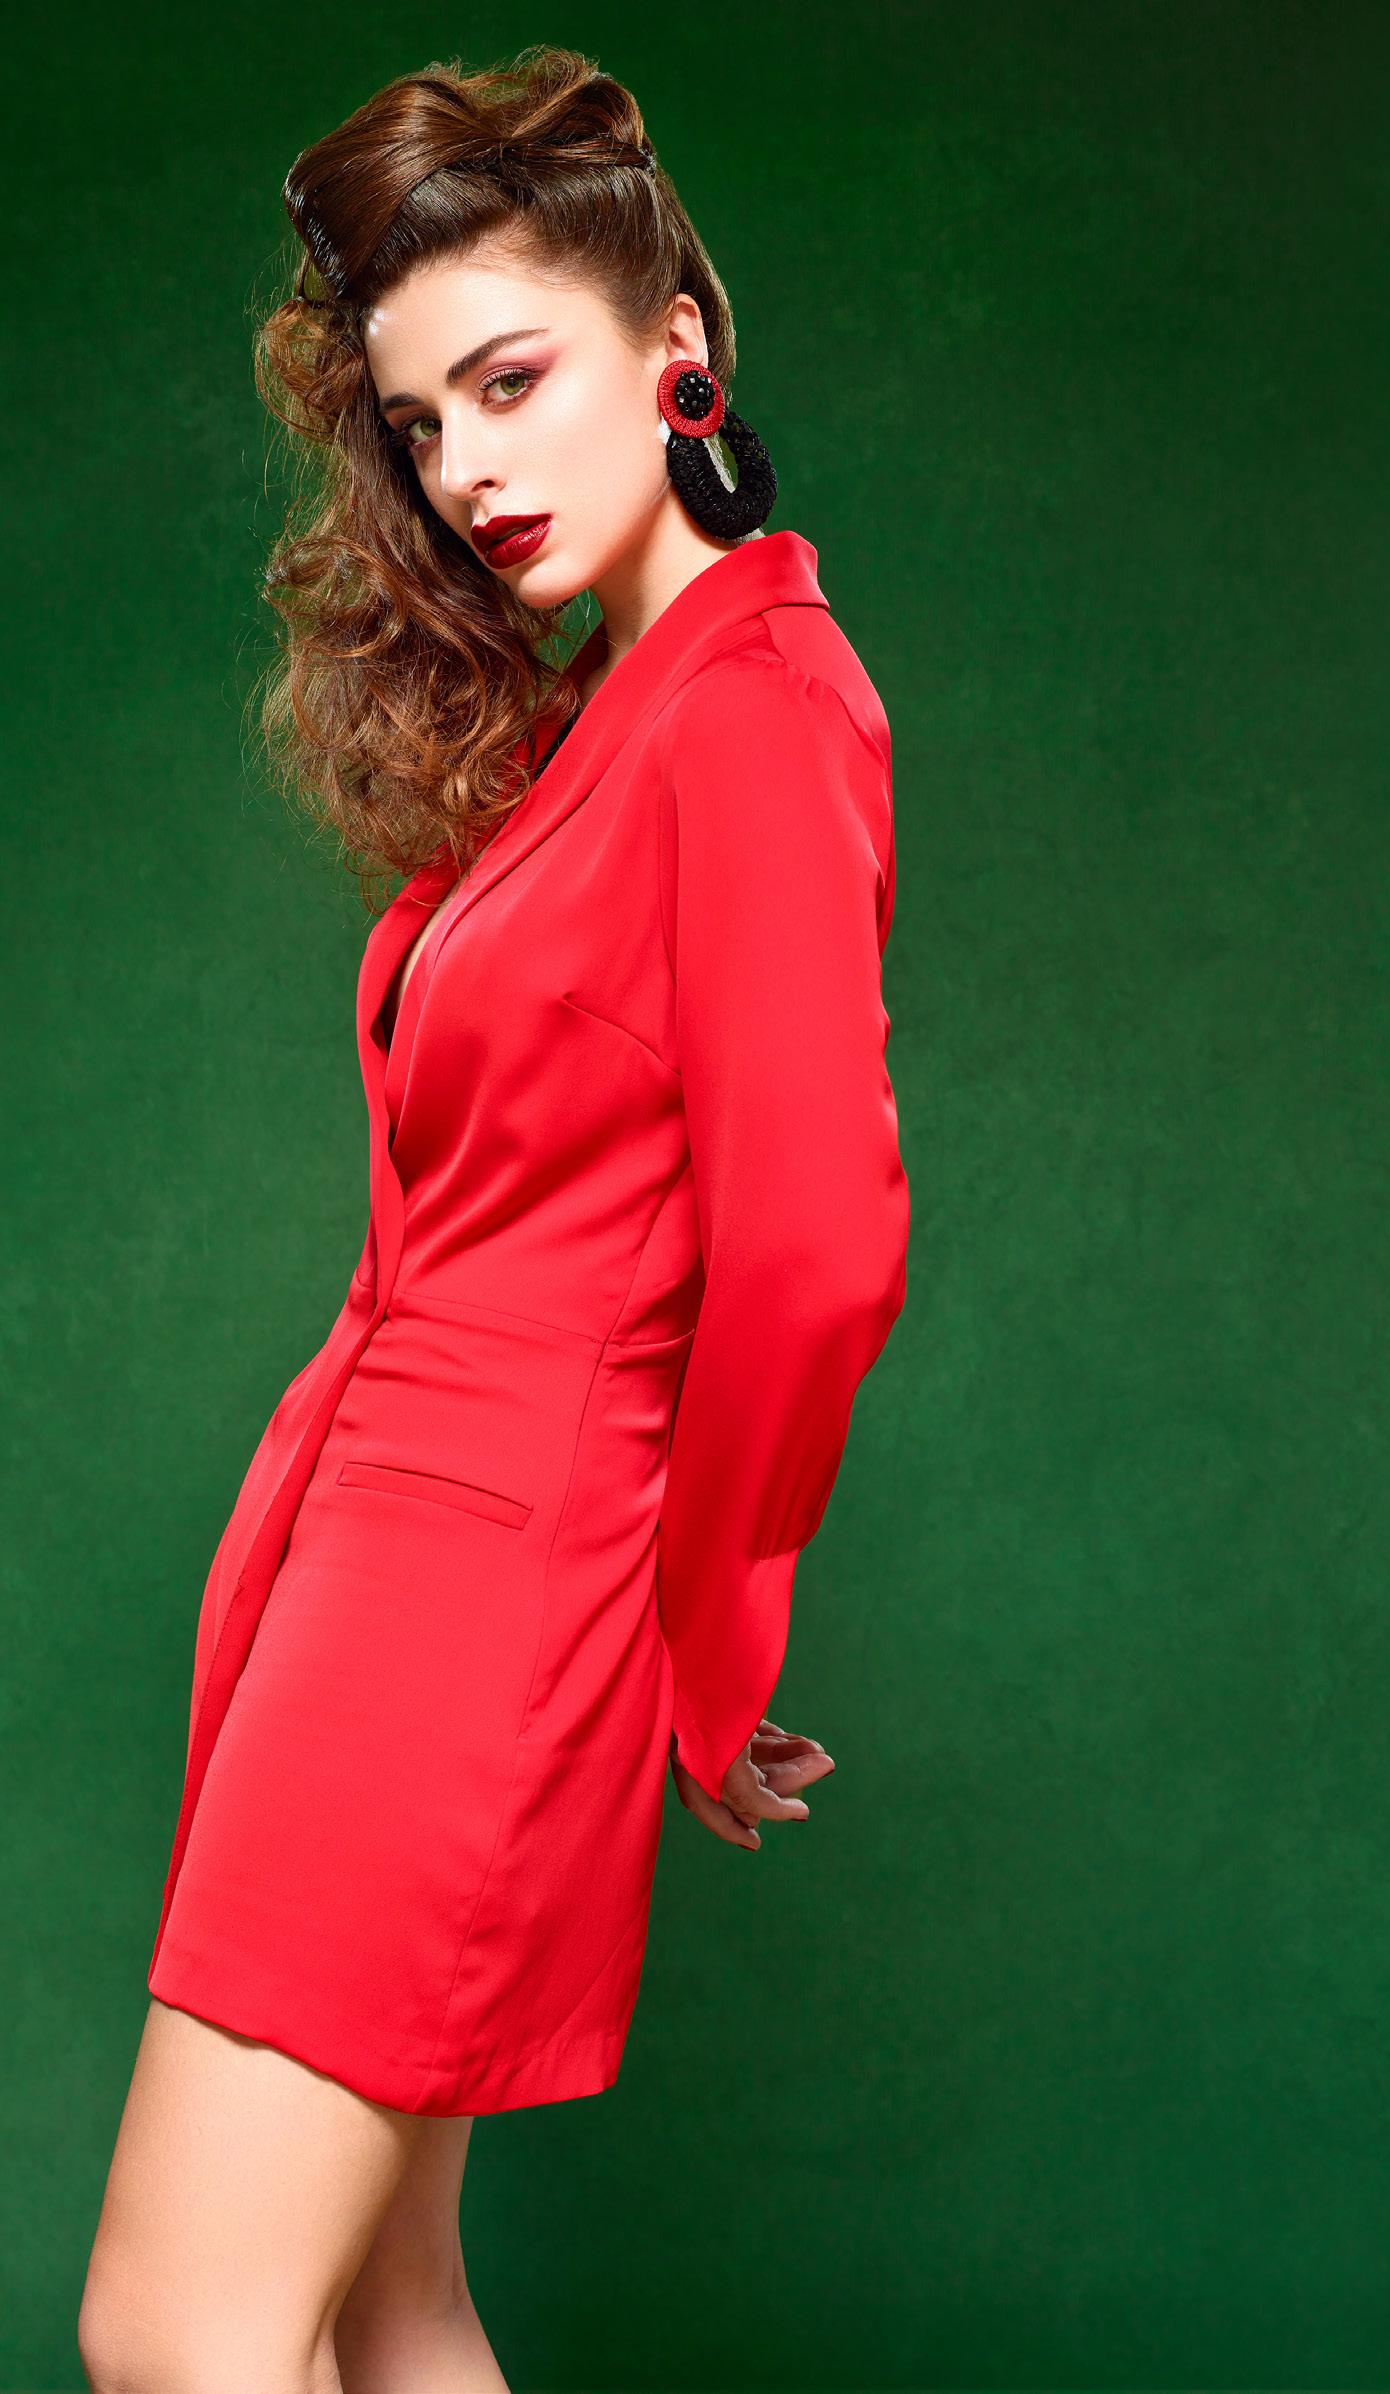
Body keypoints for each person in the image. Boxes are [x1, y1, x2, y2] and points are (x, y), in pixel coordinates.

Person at [77, 40, 910, 2394]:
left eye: (512, 381)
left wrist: (713, 1618)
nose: (465, 468)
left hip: (469, 1587)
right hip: (397, 1551)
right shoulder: (619, 714)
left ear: (677, 348)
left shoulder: (754, 707)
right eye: (421, 421)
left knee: (180, 2330)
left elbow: (818, 1236)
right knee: (383, 2304)